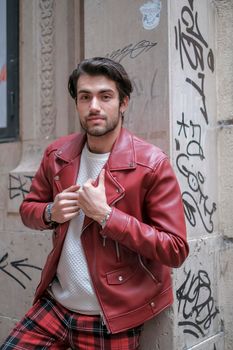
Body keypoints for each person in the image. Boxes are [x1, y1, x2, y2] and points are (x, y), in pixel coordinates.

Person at [1, 57, 189, 350]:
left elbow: (175, 248)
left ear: (123, 103)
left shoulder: (152, 164)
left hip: (112, 317)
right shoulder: (57, 154)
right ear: (76, 103)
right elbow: (29, 210)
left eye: (105, 96)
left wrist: (107, 216)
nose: (94, 106)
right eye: (85, 97)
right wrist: (51, 211)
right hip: (55, 306)